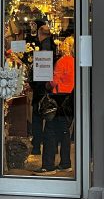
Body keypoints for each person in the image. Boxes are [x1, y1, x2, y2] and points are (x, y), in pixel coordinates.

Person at [39, 38, 74, 173]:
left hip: (58, 98)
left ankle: (48, 165)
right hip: (70, 98)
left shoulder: (62, 61)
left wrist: (46, 85)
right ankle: (65, 162)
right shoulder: (75, 61)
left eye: (64, 43)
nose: (61, 45)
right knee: (65, 132)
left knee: (50, 131)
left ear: (67, 46)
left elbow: (53, 82)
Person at [29, 19, 55, 156]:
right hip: (47, 86)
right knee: (48, 117)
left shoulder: (44, 47)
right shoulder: (51, 45)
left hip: (41, 87)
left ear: (40, 33)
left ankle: (36, 147)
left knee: (38, 117)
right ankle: (50, 147)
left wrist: (34, 83)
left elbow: (42, 69)